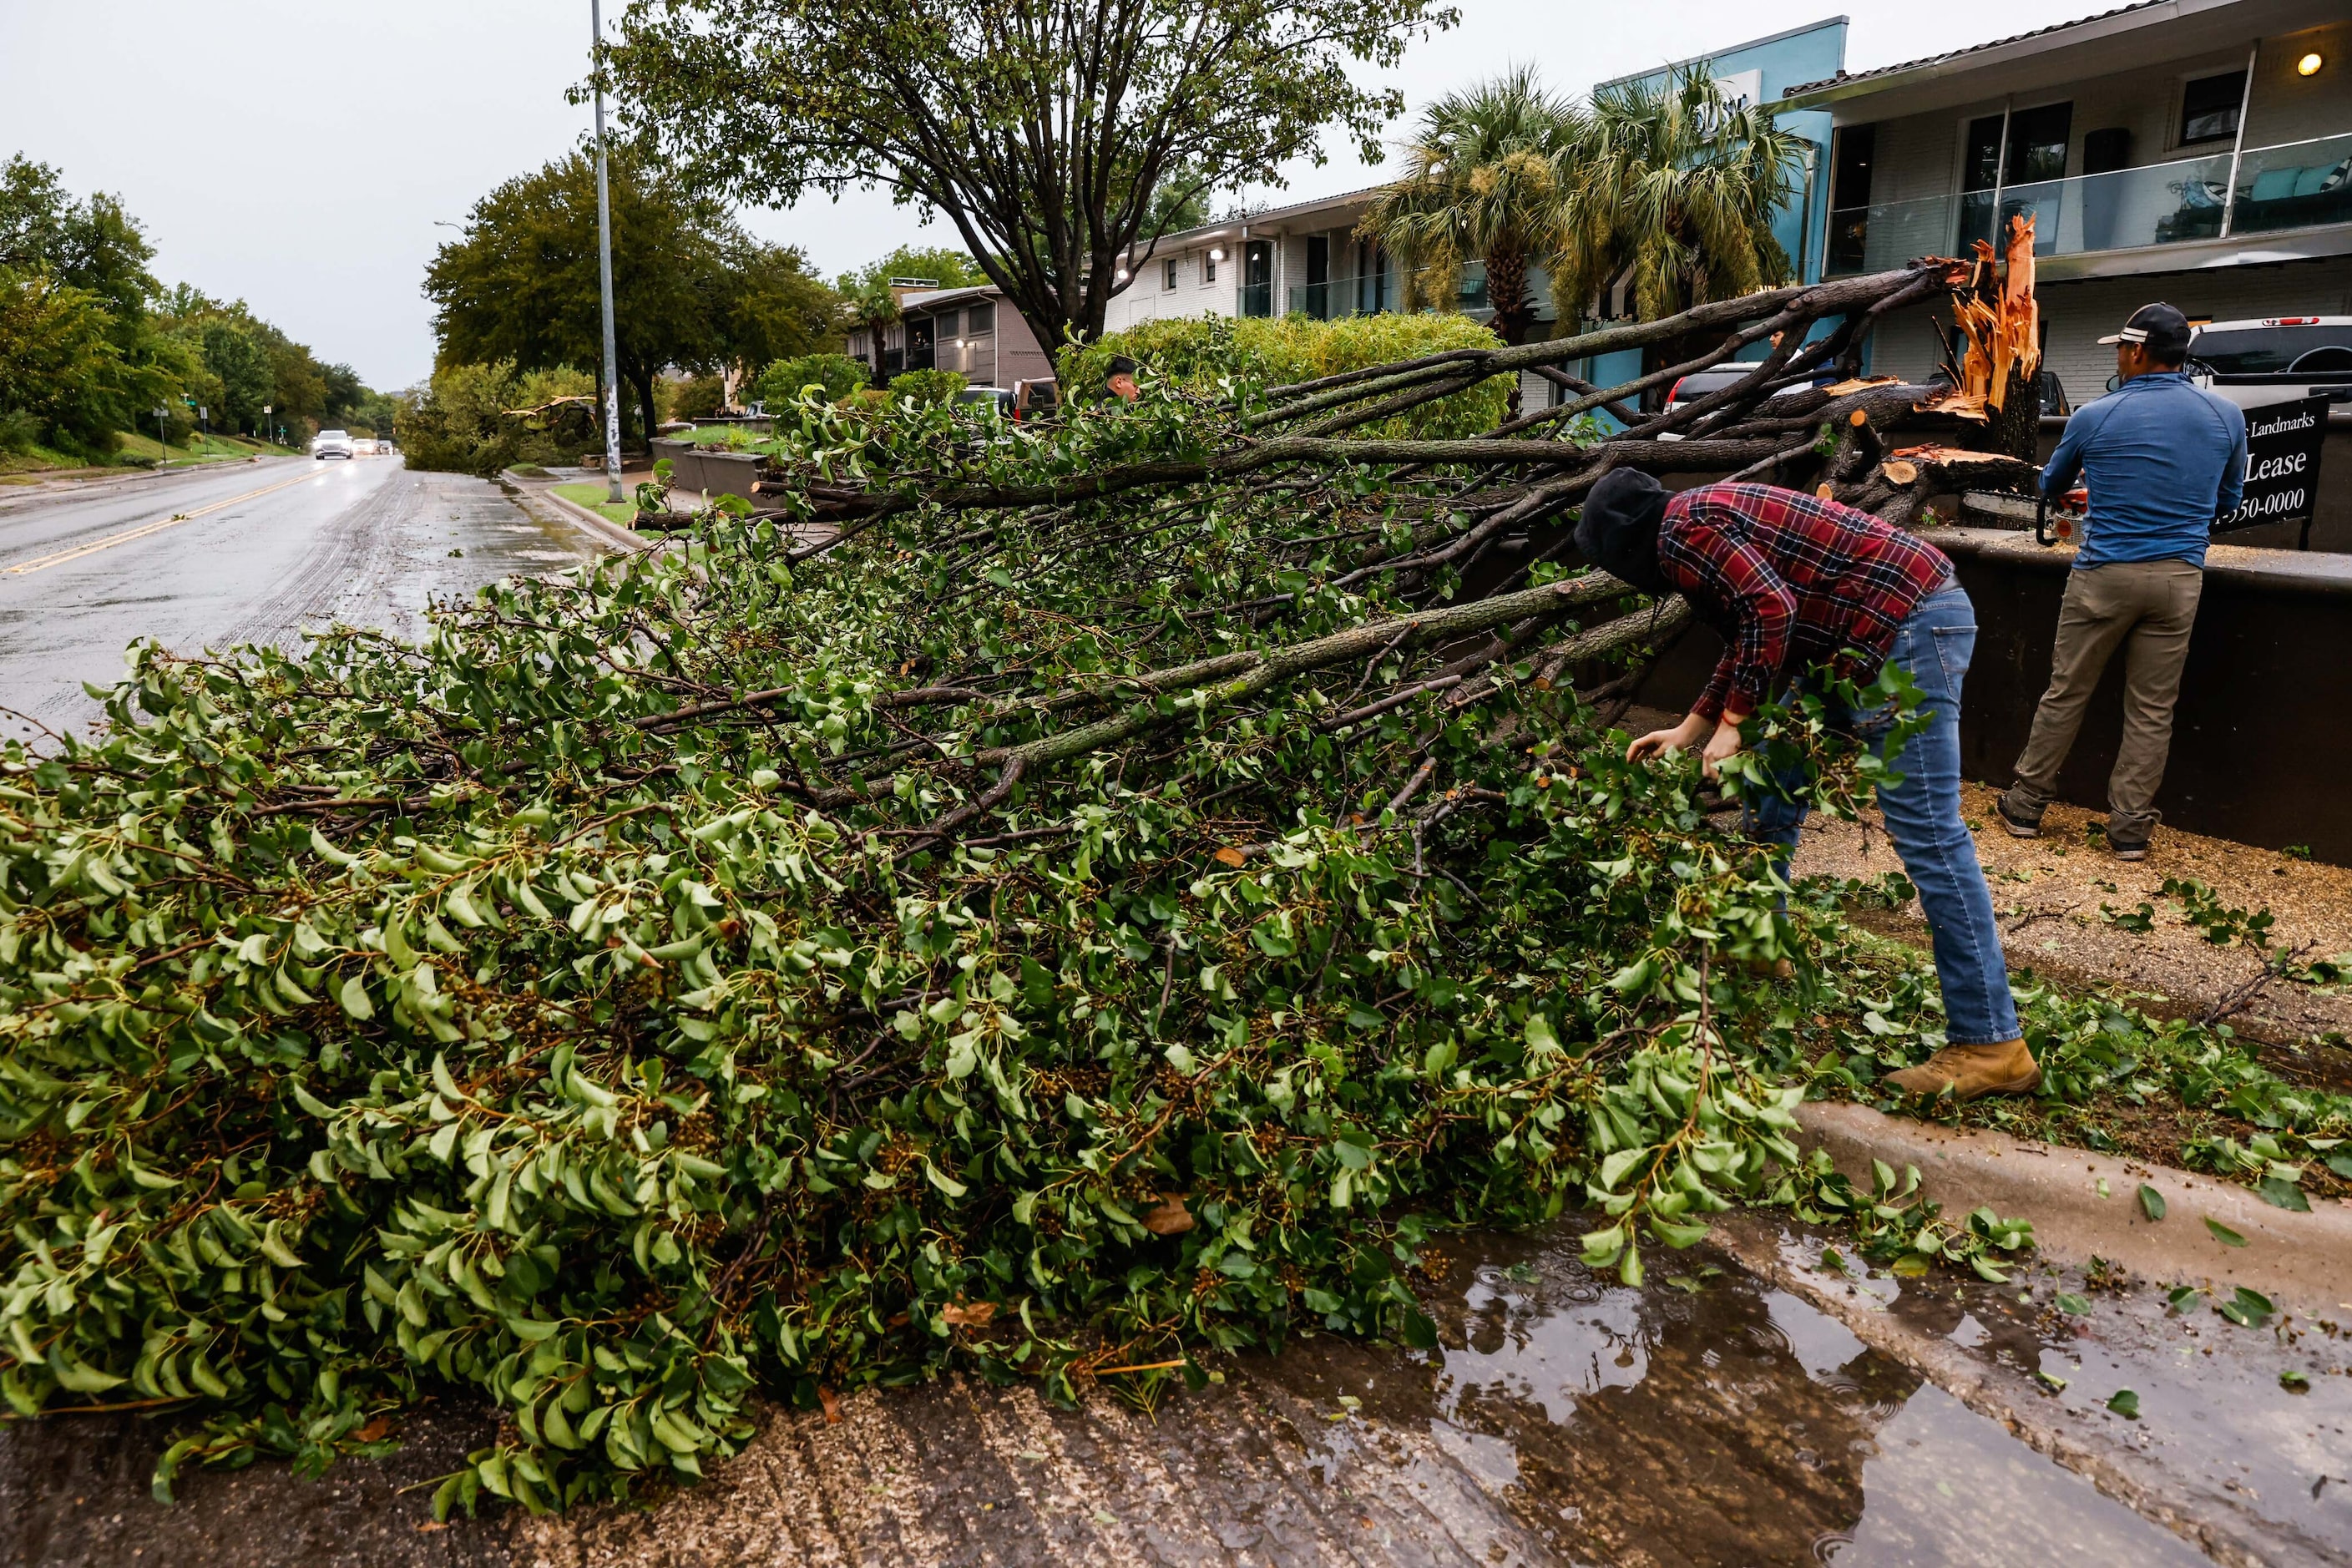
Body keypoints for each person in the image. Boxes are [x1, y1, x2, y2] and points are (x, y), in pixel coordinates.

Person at [1581, 470, 2036, 1102]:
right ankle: (1759, 944)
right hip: (1852, 640)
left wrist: (1734, 724)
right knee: (1774, 785)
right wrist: (1690, 728)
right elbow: (1752, 630)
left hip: (1903, 630)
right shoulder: (1695, 518)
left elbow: (1772, 610)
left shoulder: (1683, 533)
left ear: (1627, 550)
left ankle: (1992, 1044)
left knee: (1927, 832)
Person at [1995, 302, 2247, 860]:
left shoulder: (2096, 414)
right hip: (2179, 578)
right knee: (2152, 708)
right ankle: (2129, 829)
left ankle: (2027, 804)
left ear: (2136, 351)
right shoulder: (2225, 416)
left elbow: (2049, 484)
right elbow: (2227, 500)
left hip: (2103, 576)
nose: (2117, 356)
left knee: (2067, 690)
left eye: (2119, 348)